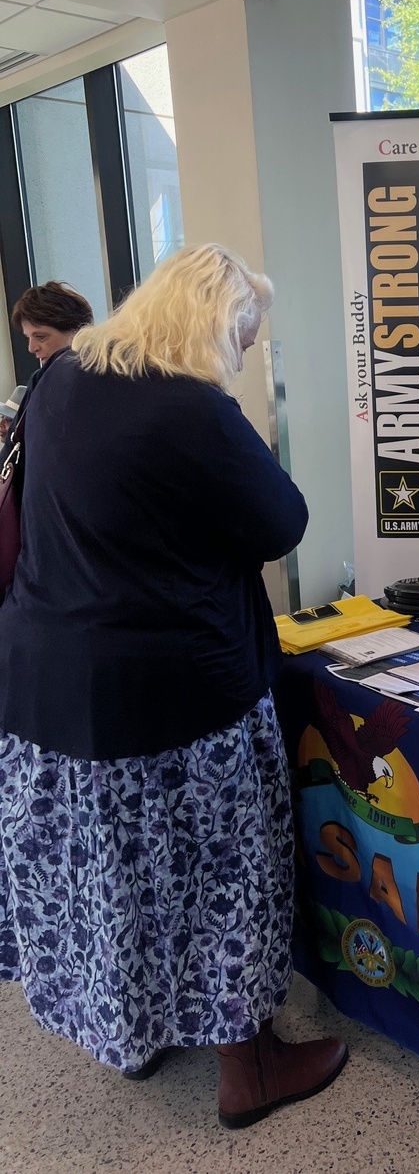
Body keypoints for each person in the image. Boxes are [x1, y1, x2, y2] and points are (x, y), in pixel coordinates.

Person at [0, 244, 348, 1128]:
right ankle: (250, 1062)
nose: (241, 352)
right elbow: (284, 520)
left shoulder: (58, 381)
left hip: (47, 693)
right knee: (225, 867)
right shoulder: (190, 405)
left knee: (115, 875)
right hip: (177, 694)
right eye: (241, 333)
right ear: (210, 322)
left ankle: (140, 1028)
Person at [0, 281, 93, 441]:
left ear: (77, 333)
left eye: (40, 337)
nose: (31, 348)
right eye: (28, 338)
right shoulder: (41, 384)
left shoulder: (98, 389)